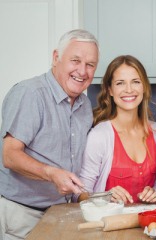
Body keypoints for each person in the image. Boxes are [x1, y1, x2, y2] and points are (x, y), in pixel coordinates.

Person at [0, 29, 99, 240]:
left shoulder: (84, 105)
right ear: (56, 58)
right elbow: (9, 156)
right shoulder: (30, 93)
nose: (82, 71)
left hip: (59, 213)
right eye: (75, 60)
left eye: (90, 64)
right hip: (20, 214)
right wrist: (51, 173)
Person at [76, 55, 156, 204]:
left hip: (149, 226)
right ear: (110, 90)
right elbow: (78, 194)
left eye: (136, 82)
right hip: (108, 223)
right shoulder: (99, 136)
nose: (129, 90)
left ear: (144, 87)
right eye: (120, 83)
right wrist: (104, 196)